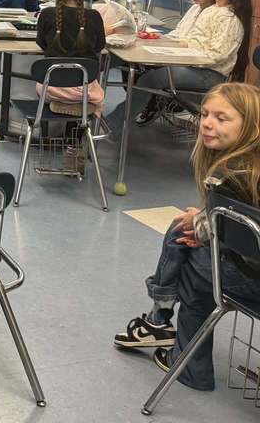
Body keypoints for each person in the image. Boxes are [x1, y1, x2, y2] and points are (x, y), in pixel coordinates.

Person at [112, 83, 260, 392]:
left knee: (193, 263)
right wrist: (205, 222)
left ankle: (182, 353)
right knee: (184, 230)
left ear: (250, 125)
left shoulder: (230, 175)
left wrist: (203, 226)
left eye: (221, 118)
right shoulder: (251, 168)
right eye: (205, 114)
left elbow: (234, 232)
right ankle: (159, 320)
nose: (207, 123)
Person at [105, 0, 253, 134]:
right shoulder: (211, 10)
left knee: (149, 80)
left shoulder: (229, 18)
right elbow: (192, 40)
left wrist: (182, 54)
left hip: (209, 74)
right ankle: (111, 118)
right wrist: (174, 46)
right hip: (194, 66)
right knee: (137, 68)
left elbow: (217, 56)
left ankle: (113, 125)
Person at [134, 0, 216, 125]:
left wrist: (178, 44)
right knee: (134, 65)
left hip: (190, 61)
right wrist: (162, 39)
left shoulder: (215, 13)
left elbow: (198, 44)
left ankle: (155, 103)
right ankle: (153, 101)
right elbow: (179, 32)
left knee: (148, 74)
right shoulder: (195, 8)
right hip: (176, 52)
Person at [35, 0, 106, 111]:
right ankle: (79, 113)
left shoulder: (47, 14)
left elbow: (41, 43)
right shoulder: (94, 16)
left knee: (40, 85)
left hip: (52, 88)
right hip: (84, 90)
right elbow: (99, 46)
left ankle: (59, 105)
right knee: (96, 91)